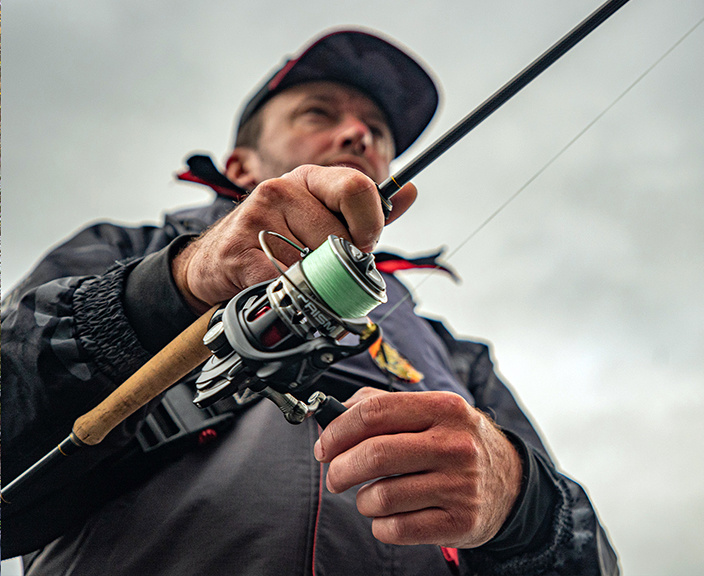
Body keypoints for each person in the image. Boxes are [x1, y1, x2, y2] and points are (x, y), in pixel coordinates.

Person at [2, 29, 619, 575]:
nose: (358, 134)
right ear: (240, 165)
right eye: (318, 112)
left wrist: (519, 501)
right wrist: (176, 284)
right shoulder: (122, 251)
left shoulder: (456, 355)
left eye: (377, 132)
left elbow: (593, 559)